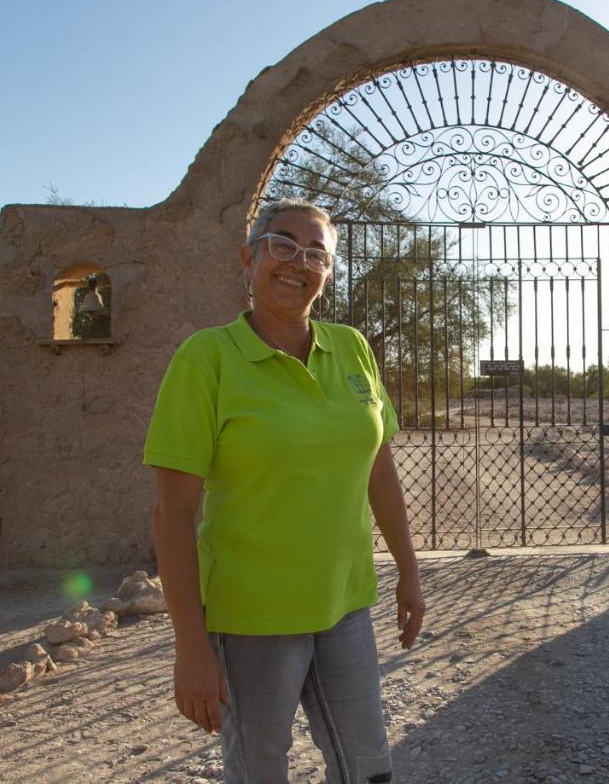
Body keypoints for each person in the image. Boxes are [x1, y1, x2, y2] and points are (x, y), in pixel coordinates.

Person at [144, 198, 424, 783]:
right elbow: (174, 513)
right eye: (283, 245)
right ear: (249, 259)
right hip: (252, 618)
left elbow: (379, 469)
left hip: (344, 604)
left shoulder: (351, 348)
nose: (299, 262)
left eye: (317, 253)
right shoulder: (207, 359)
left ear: (329, 271)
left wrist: (408, 569)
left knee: (368, 766)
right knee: (260, 770)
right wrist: (191, 648)